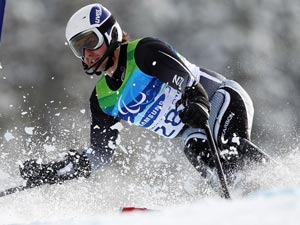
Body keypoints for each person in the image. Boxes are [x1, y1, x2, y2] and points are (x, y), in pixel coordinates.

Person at [19, 3, 267, 191]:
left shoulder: (144, 52)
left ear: (110, 34)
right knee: (202, 156)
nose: (87, 54)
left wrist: (196, 101)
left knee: (229, 151)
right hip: (193, 128)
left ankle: (277, 187)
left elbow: (188, 82)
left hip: (220, 99)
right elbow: (100, 156)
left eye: (91, 42)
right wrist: (52, 172)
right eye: (78, 48)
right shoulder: (102, 100)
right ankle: (247, 201)